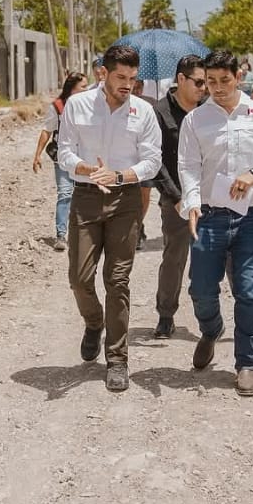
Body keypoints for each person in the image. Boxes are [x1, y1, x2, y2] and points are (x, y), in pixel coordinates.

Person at [178, 49, 253, 397]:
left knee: (249, 292)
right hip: (209, 217)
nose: (218, 87)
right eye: (210, 81)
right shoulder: (196, 120)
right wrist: (192, 203)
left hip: (251, 216)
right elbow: (188, 166)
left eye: (224, 80)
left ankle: (246, 365)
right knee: (200, 290)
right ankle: (211, 330)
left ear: (238, 77)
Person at [56, 45, 162, 392]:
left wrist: (119, 175)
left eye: (132, 78)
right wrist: (86, 169)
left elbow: (152, 161)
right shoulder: (78, 105)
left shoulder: (143, 112)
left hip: (125, 200)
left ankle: (117, 360)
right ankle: (94, 322)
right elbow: (64, 151)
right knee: (79, 278)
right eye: (121, 77)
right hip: (86, 197)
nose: (127, 84)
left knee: (117, 281)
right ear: (103, 73)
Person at [149, 55, 208, 338]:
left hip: (211, 197)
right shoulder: (159, 113)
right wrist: (174, 197)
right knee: (175, 257)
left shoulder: (209, 111)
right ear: (181, 79)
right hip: (177, 199)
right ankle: (166, 315)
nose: (204, 88)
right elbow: (154, 160)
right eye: (199, 82)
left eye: (206, 83)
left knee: (229, 255)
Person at [31, 72, 88, 251]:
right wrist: (37, 155)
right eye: (83, 86)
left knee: (84, 195)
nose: (86, 90)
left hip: (84, 157)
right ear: (72, 88)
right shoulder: (57, 106)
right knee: (65, 193)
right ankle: (61, 235)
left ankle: (83, 234)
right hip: (63, 157)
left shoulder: (89, 106)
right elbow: (47, 131)